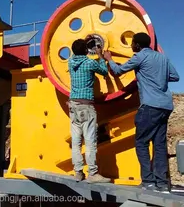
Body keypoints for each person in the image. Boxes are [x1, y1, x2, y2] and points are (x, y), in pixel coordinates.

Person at [103, 32, 180, 192]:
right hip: (165, 106)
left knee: (141, 142)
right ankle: (162, 183)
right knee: (159, 145)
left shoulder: (140, 57)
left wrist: (109, 58)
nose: (131, 46)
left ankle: (148, 181)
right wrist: (157, 77)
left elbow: (117, 71)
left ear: (137, 45)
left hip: (150, 105)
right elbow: (175, 76)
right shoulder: (162, 58)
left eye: (132, 43)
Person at [68, 37, 111, 183]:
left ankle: (78, 172)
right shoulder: (89, 63)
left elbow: (76, 54)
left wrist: (83, 43)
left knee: (76, 141)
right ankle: (92, 173)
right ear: (87, 50)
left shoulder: (71, 62)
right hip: (86, 106)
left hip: (73, 106)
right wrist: (100, 55)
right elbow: (105, 71)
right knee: (90, 140)